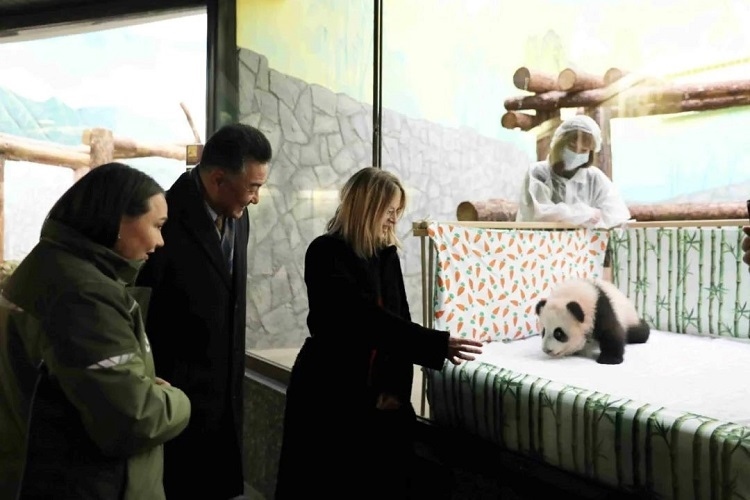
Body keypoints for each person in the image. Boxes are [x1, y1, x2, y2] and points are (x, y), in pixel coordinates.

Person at [274, 167, 484, 499]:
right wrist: (436, 344)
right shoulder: (325, 252)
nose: (394, 220)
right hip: (330, 394)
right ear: (367, 206)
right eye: (389, 210)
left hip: (378, 397)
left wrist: (397, 390)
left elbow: (399, 318)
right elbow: (364, 320)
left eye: (397, 211)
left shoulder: (386, 255)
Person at [0, 162, 191, 499]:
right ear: (118, 220)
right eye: (157, 226)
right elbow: (133, 419)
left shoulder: (47, 265)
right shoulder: (85, 295)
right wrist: (176, 399)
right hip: (88, 484)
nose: (160, 241)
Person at [135, 123, 273, 500]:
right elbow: (140, 315)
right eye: (253, 187)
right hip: (175, 403)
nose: (256, 198)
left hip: (225, 406)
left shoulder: (238, 216)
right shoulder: (162, 219)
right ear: (218, 179)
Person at [515, 114, 631, 229]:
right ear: (559, 144)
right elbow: (539, 213)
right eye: (571, 146)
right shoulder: (538, 172)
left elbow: (616, 213)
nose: (576, 153)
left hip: (584, 241)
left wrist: (575, 216)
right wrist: (586, 213)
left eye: (584, 150)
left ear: (590, 152)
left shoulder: (594, 178)